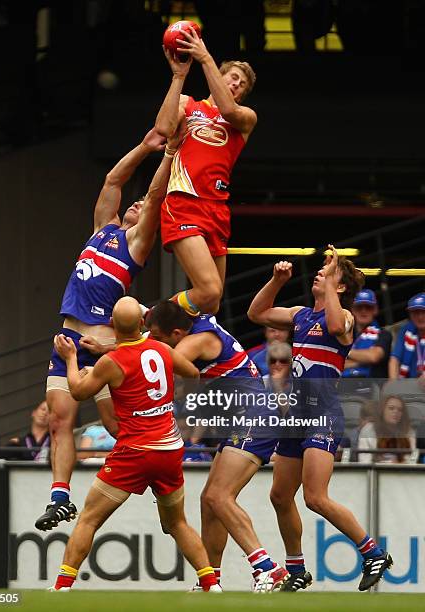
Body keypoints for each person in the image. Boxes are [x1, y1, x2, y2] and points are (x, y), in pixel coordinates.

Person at [36, 127, 182, 531]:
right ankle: (60, 497)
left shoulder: (136, 243)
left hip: (101, 346)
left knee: (119, 427)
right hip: (67, 339)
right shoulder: (102, 231)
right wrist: (144, 146)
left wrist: (169, 154)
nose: (133, 204)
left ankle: (159, 480)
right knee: (57, 419)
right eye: (129, 205)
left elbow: (153, 197)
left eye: (139, 206)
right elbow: (112, 181)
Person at [48, 296, 221, 592]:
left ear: (112, 325)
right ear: (142, 324)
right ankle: (210, 584)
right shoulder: (162, 349)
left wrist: (71, 358)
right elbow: (193, 373)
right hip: (169, 449)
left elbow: (76, 391)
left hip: (135, 452)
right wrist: (173, 397)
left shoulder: (110, 362)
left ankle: (62, 586)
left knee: (89, 518)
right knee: (177, 524)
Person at [247, 245, 393, 592]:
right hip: (294, 415)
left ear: (340, 288)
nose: (319, 273)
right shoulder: (300, 314)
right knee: (280, 496)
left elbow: (332, 322)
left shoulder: (344, 319)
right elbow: (257, 313)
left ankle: (373, 552)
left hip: (322, 415)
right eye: (320, 271)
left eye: (328, 274)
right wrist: (275, 280)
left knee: (315, 497)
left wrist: (332, 274)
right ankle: (296, 570)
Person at [147, 301, 289, 592]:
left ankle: (268, 568)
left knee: (219, 496)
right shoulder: (193, 321)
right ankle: (210, 580)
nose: (156, 342)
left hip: (254, 418)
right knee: (209, 500)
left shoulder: (199, 340)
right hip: (242, 421)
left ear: (176, 332)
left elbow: (158, 359)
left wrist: (111, 350)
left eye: (159, 337)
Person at [155, 27, 257, 315]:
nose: (237, 84)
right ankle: (149, 316)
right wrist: (178, 76)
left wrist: (205, 57)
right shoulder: (189, 105)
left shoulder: (245, 118)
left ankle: (168, 338)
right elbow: (163, 128)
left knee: (211, 303)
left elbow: (227, 108)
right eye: (233, 77)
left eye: (243, 84)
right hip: (185, 200)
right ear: (220, 76)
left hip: (218, 208)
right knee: (209, 289)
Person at [342, 289, 392, 382]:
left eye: (368, 307)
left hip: (371, 386)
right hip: (344, 384)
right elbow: (337, 364)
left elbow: (373, 357)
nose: (363, 311)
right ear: (352, 310)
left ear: (375, 310)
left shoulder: (384, 334)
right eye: (359, 307)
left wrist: (345, 351)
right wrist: (363, 359)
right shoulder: (345, 334)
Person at [357, 395, 416, 464]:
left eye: (400, 410)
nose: (396, 412)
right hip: (374, 473)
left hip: (402, 473)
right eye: (391, 408)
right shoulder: (368, 429)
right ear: (382, 410)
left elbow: (410, 460)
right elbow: (364, 461)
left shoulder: (409, 432)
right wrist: (391, 462)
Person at [389, 292, 425, 383]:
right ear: (410, 314)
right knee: (390, 394)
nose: (420, 317)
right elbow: (394, 359)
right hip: (411, 385)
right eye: (416, 312)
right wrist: (393, 382)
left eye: (424, 312)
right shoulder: (406, 331)